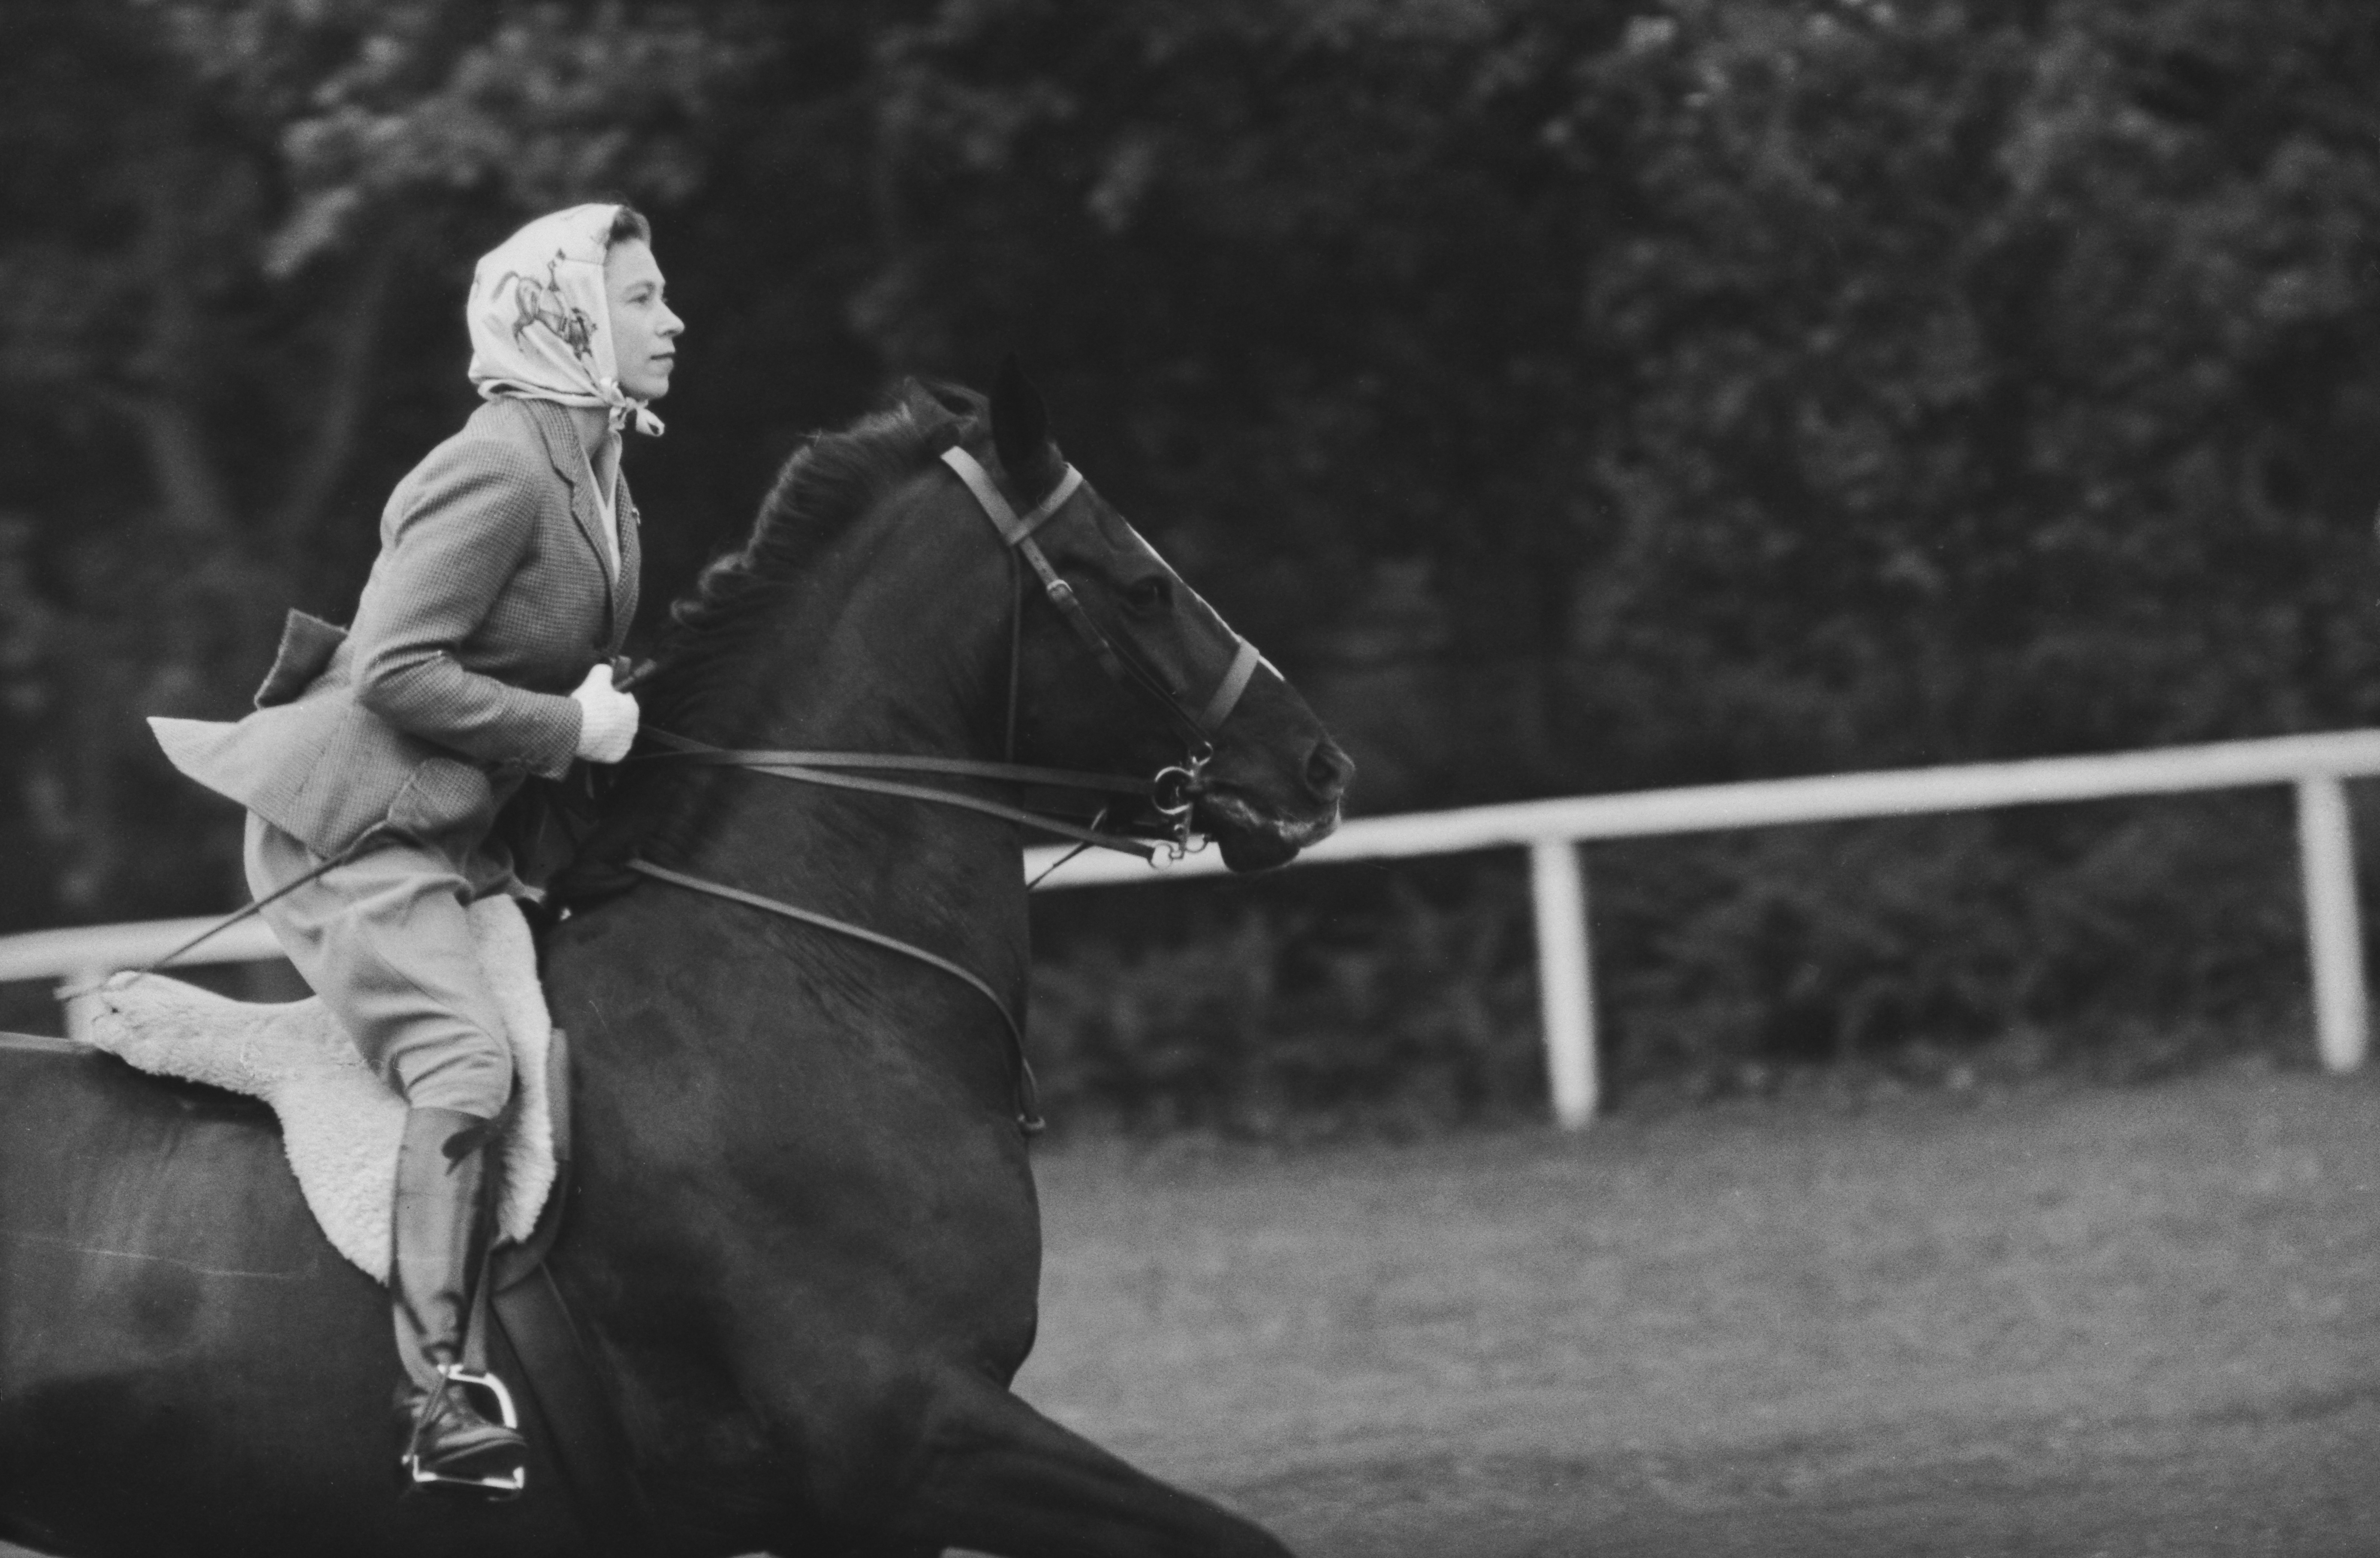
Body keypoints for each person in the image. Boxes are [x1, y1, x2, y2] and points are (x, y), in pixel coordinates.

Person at [148, 202, 681, 1492]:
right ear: (566, 318)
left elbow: (556, 690)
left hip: (463, 836)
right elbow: (393, 670)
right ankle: (441, 1393)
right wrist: (571, 725)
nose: (671, 319)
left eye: (662, 296)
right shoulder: (497, 467)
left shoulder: (598, 473)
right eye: (643, 297)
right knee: (465, 1056)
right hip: (355, 836)